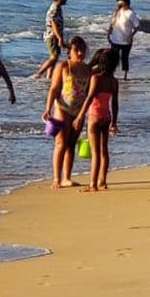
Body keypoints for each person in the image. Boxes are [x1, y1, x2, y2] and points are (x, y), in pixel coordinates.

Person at [43, 36, 90, 189]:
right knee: (61, 143)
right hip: (62, 108)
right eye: (77, 50)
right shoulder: (63, 66)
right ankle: (57, 178)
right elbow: (55, 89)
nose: (81, 53)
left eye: (83, 50)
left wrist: (86, 112)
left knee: (71, 144)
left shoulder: (87, 69)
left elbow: (89, 92)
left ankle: (67, 177)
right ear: (70, 51)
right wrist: (47, 109)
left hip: (79, 110)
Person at [74, 48, 120, 192]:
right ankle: (103, 182)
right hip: (107, 117)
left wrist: (80, 115)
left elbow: (89, 97)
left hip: (94, 116)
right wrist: (114, 122)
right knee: (104, 151)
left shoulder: (96, 78)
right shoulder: (114, 81)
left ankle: (93, 184)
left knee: (95, 153)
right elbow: (115, 103)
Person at [34, 0, 67, 79]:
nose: (66, 0)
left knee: (54, 58)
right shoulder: (55, 8)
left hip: (54, 35)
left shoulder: (58, 8)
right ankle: (38, 74)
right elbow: (54, 24)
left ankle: (49, 77)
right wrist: (59, 38)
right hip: (52, 36)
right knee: (54, 57)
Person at [108, 0, 140, 80]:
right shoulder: (116, 12)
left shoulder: (131, 13)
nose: (118, 3)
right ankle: (112, 74)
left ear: (125, 3)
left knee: (124, 58)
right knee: (113, 58)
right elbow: (112, 24)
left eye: (120, 2)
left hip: (126, 40)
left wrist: (131, 35)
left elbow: (137, 26)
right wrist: (109, 33)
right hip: (115, 39)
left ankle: (125, 76)